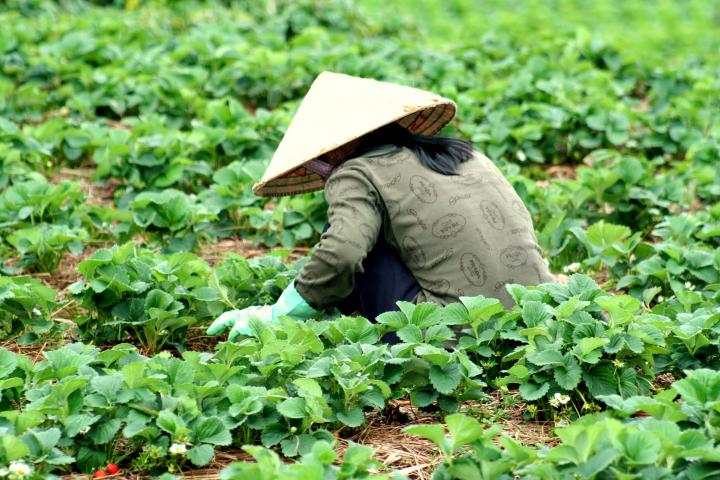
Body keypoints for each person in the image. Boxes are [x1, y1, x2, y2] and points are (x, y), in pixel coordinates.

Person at [207, 72, 554, 341]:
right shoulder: (468, 154)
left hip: (450, 334)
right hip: (533, 318)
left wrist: (282, 312)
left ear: (339, 143)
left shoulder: (357, 171)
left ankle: (325, 311)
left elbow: (343, 251)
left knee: (348, 236)